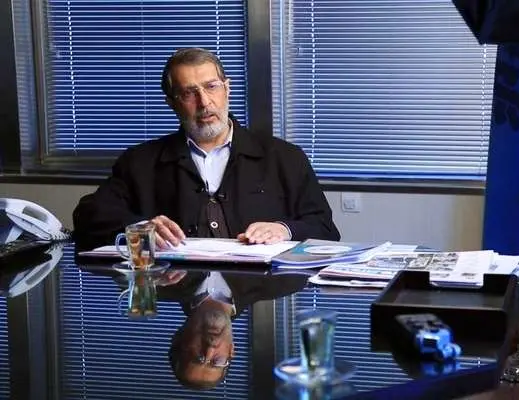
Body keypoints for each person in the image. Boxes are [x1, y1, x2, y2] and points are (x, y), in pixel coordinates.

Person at [72, 47, 340, 250]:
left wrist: (284, 229)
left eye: (212, 87)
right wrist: (139, 228)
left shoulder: (285, 157)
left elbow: (325, 229)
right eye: (189, 93)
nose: (204, 102)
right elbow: (88, 217)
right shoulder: (140, 161)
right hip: (175, 287)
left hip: (260, 293)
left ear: (227, 89)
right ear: (171, 103)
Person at [163, 270, 308, 389]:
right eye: (217, 361)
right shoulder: (287, 280)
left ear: (178, 338)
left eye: (198, 357)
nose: (210, 349)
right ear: (231, 350)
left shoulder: (158, 280)